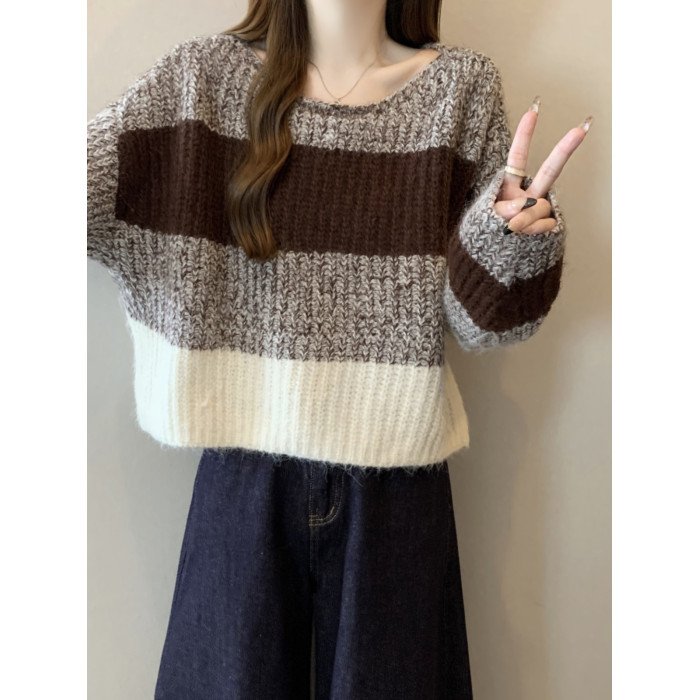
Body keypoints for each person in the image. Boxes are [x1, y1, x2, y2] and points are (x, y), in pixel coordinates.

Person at [87, 0, 590, 697]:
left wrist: (511, 242)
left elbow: (488, 326)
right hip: (241, 482)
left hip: (398, 493)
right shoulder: (200, 80)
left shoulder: (460, 90)